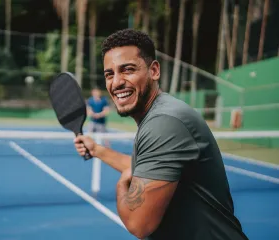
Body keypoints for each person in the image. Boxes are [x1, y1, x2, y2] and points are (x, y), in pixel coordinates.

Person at [74, 29, 248, 240]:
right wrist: (97, 150)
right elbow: (148, 170)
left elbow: (139, 224)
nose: (117, 82)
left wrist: (122, 185)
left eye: (127, 70)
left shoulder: (163, 123)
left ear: (154, 70)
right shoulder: (160, 114)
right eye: (109, 74)